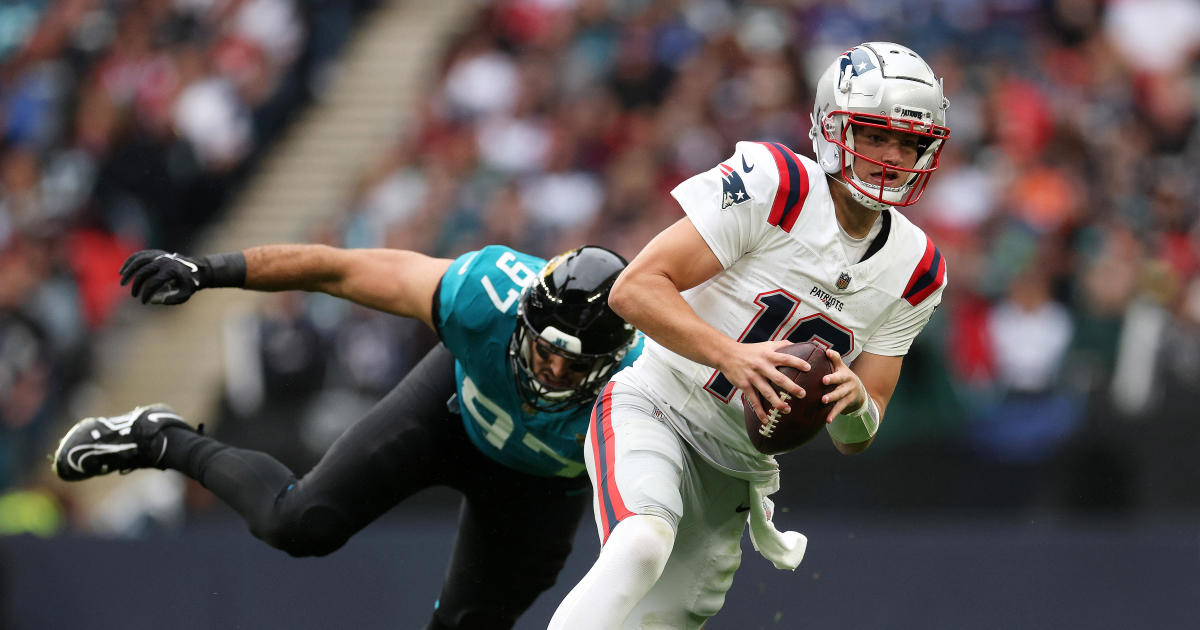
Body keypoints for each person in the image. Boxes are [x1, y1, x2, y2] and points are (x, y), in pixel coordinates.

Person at [548, 42, 951, 629]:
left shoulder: (918, 269)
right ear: (833, 128)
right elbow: (634, 288)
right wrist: (733, 357)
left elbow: (860, 431)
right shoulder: (776, 184)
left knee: (661, 621)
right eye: (874, 136)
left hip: (738, 465)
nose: (892, 156)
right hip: (657, 403)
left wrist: (852, 404)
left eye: (908, 142)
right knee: (640, 544)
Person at [51, 242, 642, 630]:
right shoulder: (482, 297)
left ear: (611, 360)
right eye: (545, 350)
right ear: (523, 316)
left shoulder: (645, 381)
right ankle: (162, 438)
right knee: (299, 521)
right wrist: (211, 270)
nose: (554, 372)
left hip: (540, 490)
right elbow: (340, 269)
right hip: (452, 411)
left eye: (576, 364)